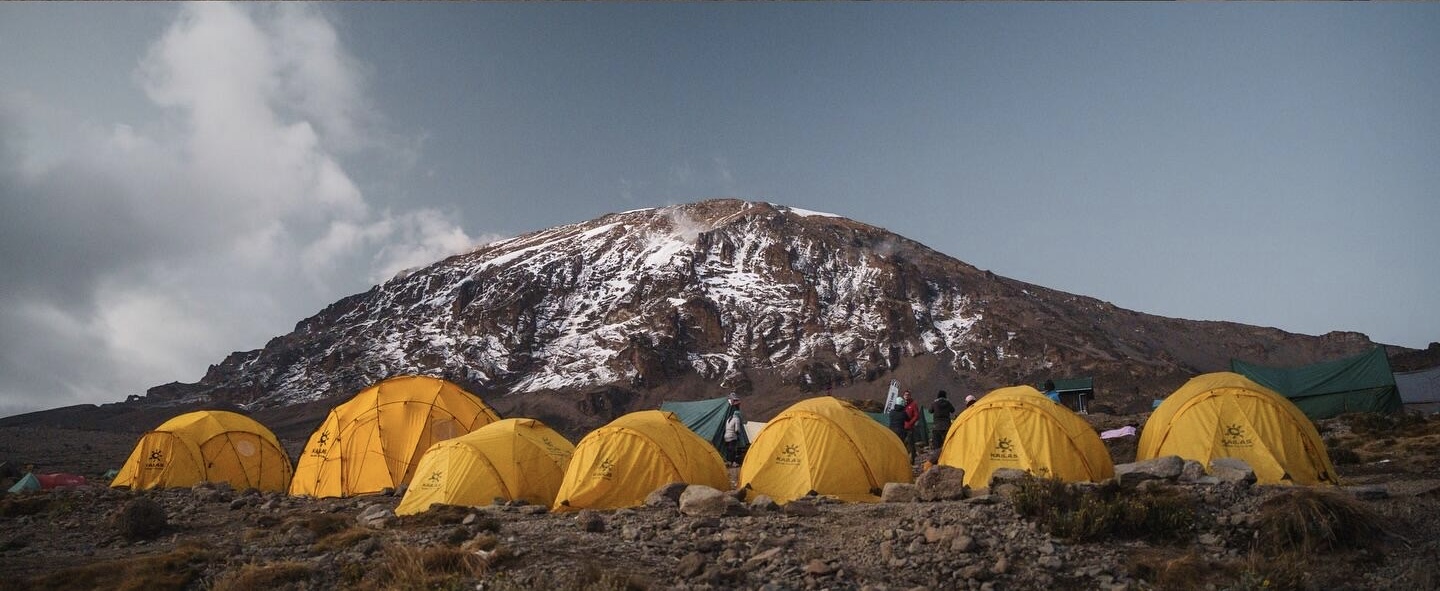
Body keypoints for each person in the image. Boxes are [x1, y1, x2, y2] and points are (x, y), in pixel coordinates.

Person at [723, 394, 744, 467]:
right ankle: (733, 462)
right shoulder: (736, 419)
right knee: (733, 450)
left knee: (728, 450)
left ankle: (728, 461)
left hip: (726, 436)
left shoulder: (728, 419)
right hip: (732, 436)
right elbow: (737, 429)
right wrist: (739, 435)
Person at [902, 390, 921, 463]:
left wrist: (911, 423)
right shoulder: (901, 404)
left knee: (911, 444)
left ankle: (912, 459)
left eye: (908, 395)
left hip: (909, 427)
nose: (906, 396)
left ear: (910, 396)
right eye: (905, 395)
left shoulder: (913, 404)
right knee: (903, 444)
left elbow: (916, 415)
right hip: (902, 427)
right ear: (903, 396)